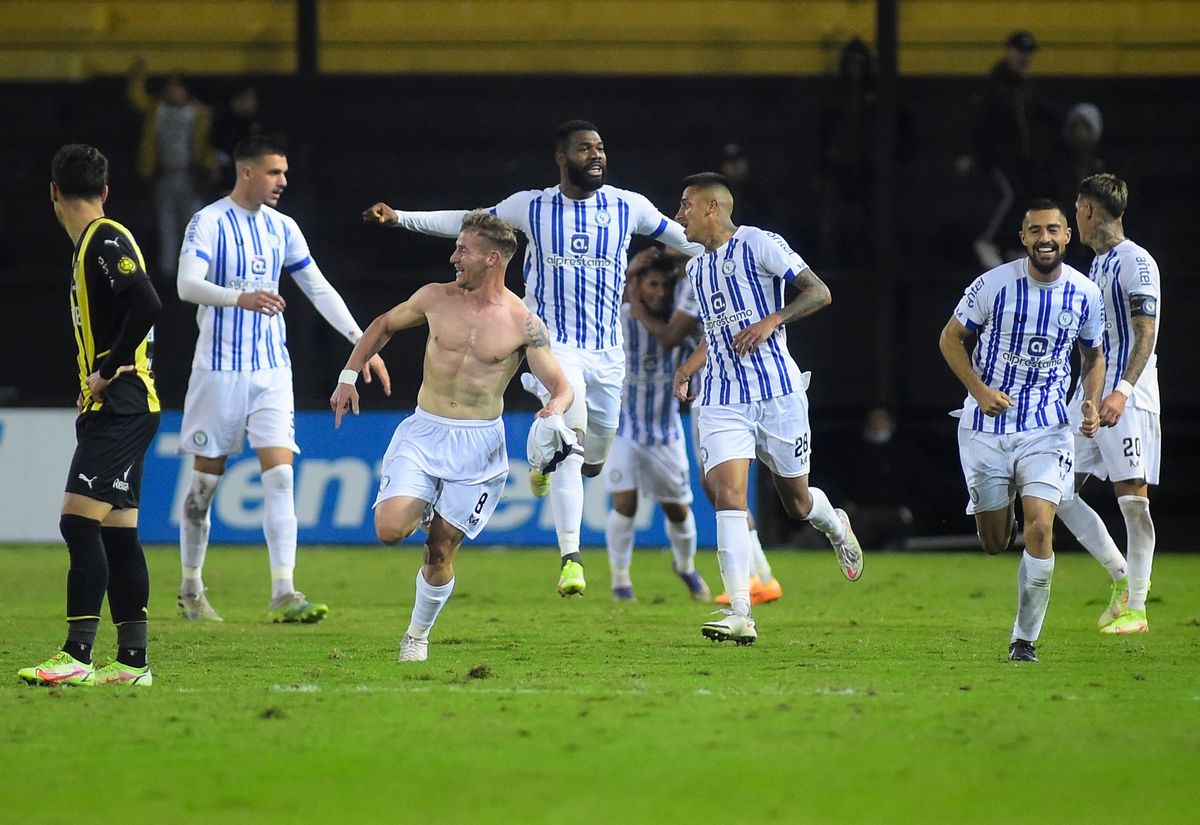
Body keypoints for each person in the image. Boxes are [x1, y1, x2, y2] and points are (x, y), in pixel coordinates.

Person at [362, 119, 703, 598]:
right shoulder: (531, 206)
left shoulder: (630, 206)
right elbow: (467, 222)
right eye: (586, 149)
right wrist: (401, 216)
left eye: (601, 147)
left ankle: (543, 462)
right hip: (553, 345)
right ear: (562, 159)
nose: (598, 155)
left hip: (608, 355)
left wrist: (737, 253)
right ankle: (571, 559)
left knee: (594, 461)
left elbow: (690, 240)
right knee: (570, 437)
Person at [330, 211, 573, 662]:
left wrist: (554, 408)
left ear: (492, 259)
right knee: (388, 530)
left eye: (464, 250)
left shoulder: (523, 322)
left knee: (439, 550)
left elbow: (560, 385)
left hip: (479, 447)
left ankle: (416, 637)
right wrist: (348, 375)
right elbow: (384, 323)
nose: (453, 257)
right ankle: (424, 505)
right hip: (424, 432)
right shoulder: (435, 297)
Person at [175, 135, 389, 624]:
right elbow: (187, 285)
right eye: (274, 172)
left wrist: (363, 344)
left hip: (272, 370)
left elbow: (318, 287)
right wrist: (239, 298)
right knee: (202, 490)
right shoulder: (208, 222)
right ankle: (191, 587)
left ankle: (284, 591)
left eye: (285, 173)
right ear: (247, 172)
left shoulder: (283, 228)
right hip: (219, 371)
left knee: (280, 478)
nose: (283, 182)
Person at [671, 173, 864, 646]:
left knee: (797, 503)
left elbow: (819, 292)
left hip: (778, 394)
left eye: (686, 206)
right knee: (726, 495)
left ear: (713, 207)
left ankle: (835, 523)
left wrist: (773, 320)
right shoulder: (696, 269)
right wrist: (687, 369)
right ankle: (741, 612)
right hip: (722, 399)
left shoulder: (759, 243)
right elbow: (719, 337)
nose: (679, 215)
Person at [19, 144, 162, 687]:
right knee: (116, 535)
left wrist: (107, 366)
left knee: (77, 522)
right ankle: (131, 664)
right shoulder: (90, 245)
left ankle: (77, 653)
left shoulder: (105, 238)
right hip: (122, 406)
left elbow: (147, 303)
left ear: (54, 191)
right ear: (103, 189)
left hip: (121, 404)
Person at [939, 198, 1106, 662]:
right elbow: (950, 338)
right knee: (996, 542)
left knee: (1040, 527)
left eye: (1053, 230)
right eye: (1036, 231)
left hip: (1047, 428)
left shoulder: (1084, 293)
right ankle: (1002, 503)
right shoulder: (993, 285)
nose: (1045, 239)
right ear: (1023, 238)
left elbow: (1094, 355)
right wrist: (977, 389)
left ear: (1068, 235)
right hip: (986, 427)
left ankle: (1024, 639)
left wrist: (1089, 401)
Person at [629, 246, 784, 605]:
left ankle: (755, 576)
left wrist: (636, 302)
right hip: (718, 387)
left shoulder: (697, 276)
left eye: (676, 228)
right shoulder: (692, 276)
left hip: (719, 389)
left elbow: (669, 337)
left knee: (722, 483)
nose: (671, 232)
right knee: (717, 484)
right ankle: (760, 574)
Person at [1056, 174, 1161, 634]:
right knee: (1056, 488)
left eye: (1076, 209)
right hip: (1094, 399)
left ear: (1089, 211)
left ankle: (1137, 607)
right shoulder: (1097, 266)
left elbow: (1146, 334)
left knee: (1133, 502)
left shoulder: (1136, 262)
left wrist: (1121, 390)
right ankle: (1121, 578)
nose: (1074, 217)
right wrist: (1084, 394)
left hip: (1129, 399)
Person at [604, 249, 709, 602]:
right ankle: (620, 581)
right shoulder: (619, 318)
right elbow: (603, 296)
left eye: (665, 285)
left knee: (678, 509)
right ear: (638, 286)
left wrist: (635, 298)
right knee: (625, 504)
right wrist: (628, 280)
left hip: (665, 431)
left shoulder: (683, 325)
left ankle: (686, 566)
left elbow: (668, 337)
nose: (660, 292)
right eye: (652, 284)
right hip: (624, 429)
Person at [955, 32, 1061, 270]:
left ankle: (1012, 245)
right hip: (998, 157)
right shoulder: (995, 86)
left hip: (1021, 159)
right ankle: (986, 240)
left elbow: (1045, 114)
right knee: (1009, 196)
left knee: (1024, 201)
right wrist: (970, 153)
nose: (1024, 57)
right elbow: (978, 120)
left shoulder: (1026, 88)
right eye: (1020, 51)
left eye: (1028, 53)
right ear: (1009, 52)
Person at [127, 57, 217, 276]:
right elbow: (136, 98)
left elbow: (206, 144)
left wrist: (209, 167)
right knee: (165, 223)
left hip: (190, 174)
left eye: (178, 88)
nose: (174, 92)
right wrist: (137, 75)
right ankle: (168, 268)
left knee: (192, 224)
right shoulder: (157, 109)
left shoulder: (199, 113)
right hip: (165, 173)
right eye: (171, 88)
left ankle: (194, 268)